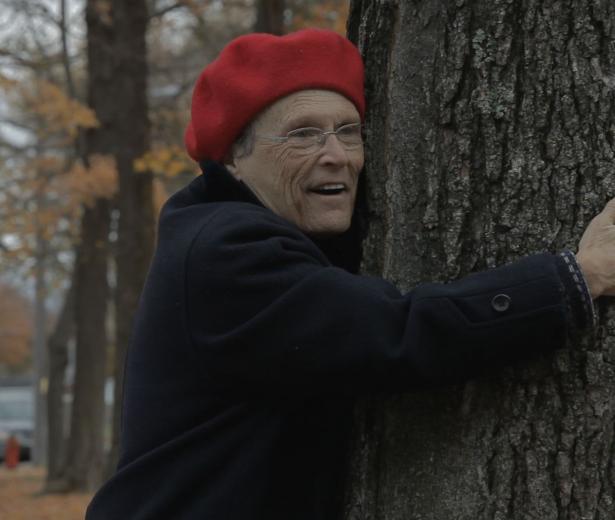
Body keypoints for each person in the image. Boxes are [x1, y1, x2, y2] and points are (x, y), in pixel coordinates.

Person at [86, 29, 614, 519]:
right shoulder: (228, 253)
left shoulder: (274, 232)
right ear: (234, 159)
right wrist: (575, 278)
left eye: (348, 131)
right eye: (303, 134)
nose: (336, 155)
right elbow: (397, 331)